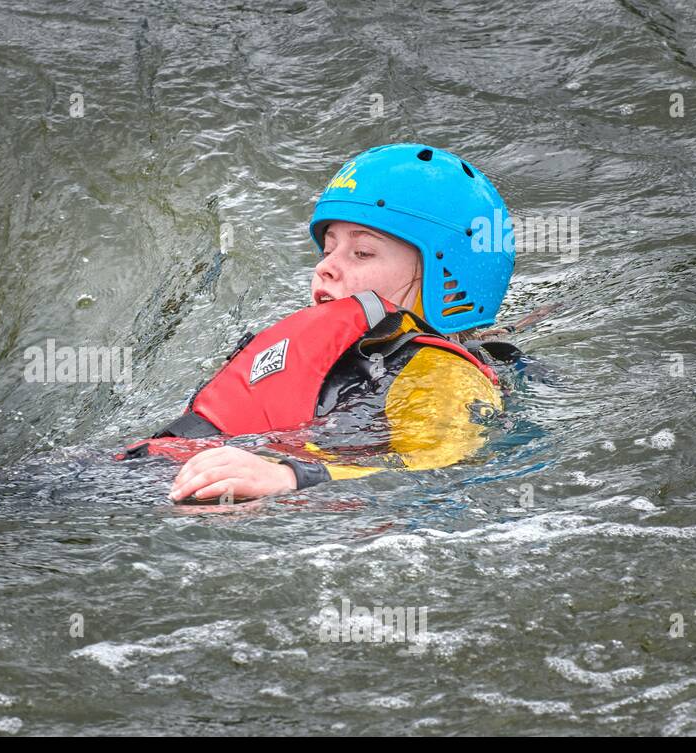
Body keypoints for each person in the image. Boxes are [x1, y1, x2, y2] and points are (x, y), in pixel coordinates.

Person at [116, 143, 535, 504]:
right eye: (328, 249)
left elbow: (434, 470)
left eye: (362, 253)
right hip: (163, 473)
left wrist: (289, 477)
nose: (326, 268)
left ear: (447, 275)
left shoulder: (440, 371)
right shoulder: (312, 353)